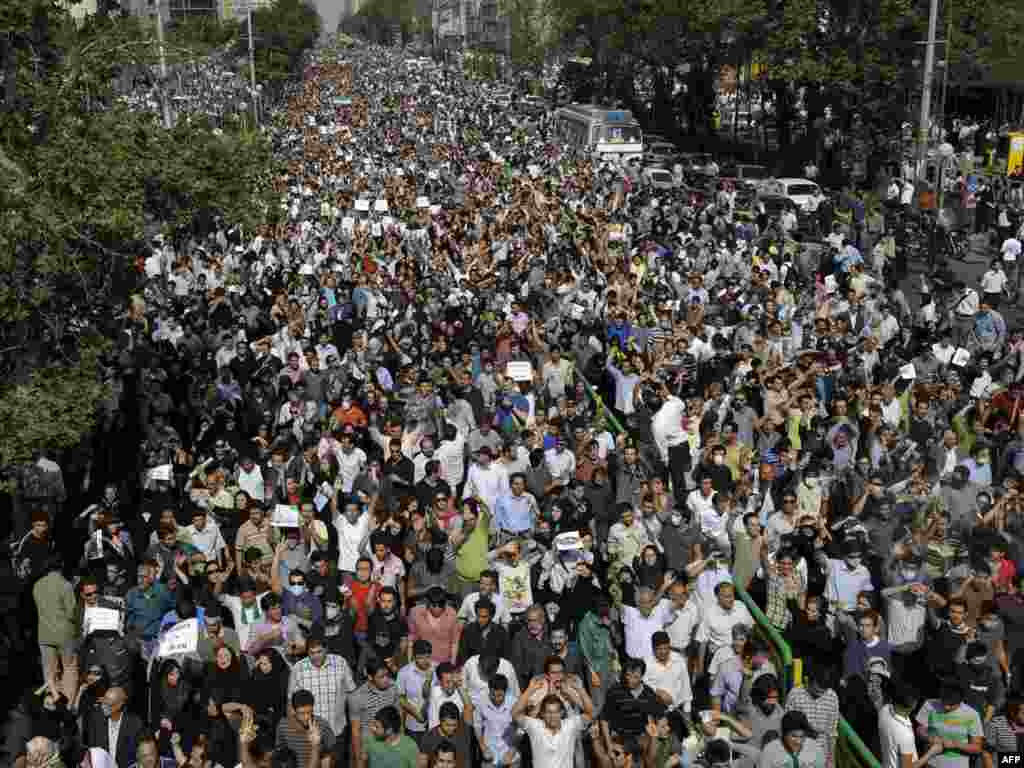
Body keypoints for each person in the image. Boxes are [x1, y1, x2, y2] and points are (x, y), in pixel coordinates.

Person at [512, 675, 594, 768]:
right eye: (549, 712)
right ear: (542, 714)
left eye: (555, 712)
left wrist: (580, 689)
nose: (552, 716)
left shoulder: (570, 725)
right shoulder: (535, 726)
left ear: (561, 713)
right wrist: (530, 689)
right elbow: (515, 714)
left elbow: (590, 713)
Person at [275, 689, 334, 768]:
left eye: (309, 712)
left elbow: (330, 753)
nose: (306, 717)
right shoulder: (283, 726)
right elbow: (279, 754)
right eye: (302, 713)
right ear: (293, 710)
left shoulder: (322, 725)